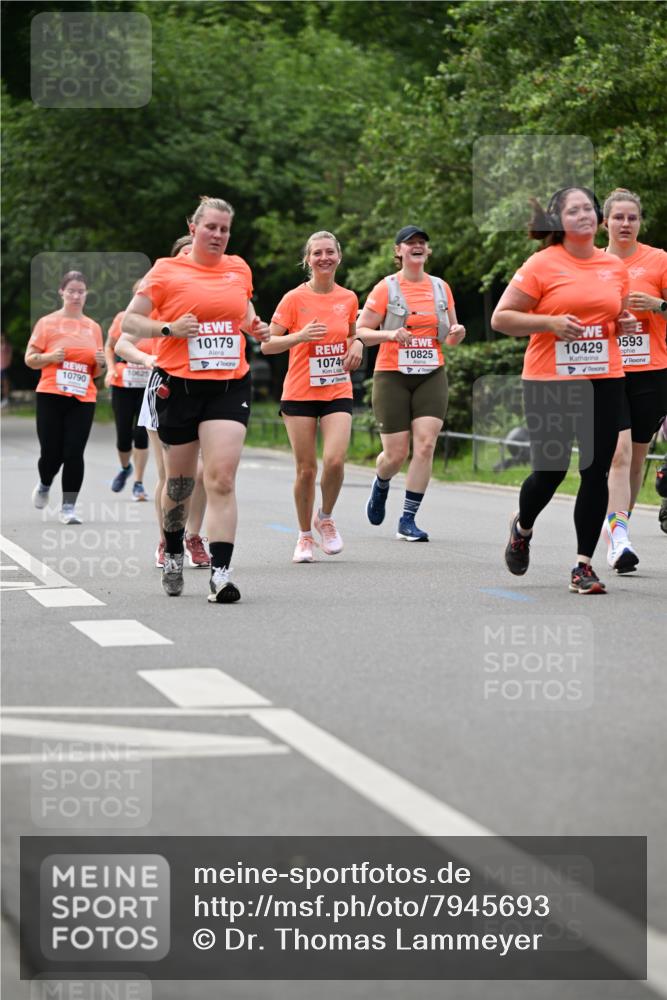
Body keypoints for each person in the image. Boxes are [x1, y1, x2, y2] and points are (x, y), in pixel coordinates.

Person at [121, 196, 270, 603]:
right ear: (193, 228)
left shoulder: (238, 268)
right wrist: (167, 327)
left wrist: (257, 327)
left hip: (228, 385)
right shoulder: (166, 271)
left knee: (220, 477)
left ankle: (221, 574)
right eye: (211, 228)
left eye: (225, 229)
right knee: (181, 483)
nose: (219, 235)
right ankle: (172, 550)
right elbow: (131, 321)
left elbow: (244, 312)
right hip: (179, 386)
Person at [491, 187, 635, 594]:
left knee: (596, 472)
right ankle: (522, 528)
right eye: (574, 210)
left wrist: (620, 324)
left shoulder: (614, 266)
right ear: (559, 221)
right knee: (550, 472)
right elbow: (503, 318)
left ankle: (583, 566)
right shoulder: (541, 265)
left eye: (589, 208)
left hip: (604, 377)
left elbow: (612, 313)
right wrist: (549, 324)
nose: (585, 215)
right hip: (549, 379)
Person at [356, 225, 465, 541]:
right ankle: (381, 482)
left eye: (422, 243)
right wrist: (390, 334)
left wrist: (457, 333)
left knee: (427, 443)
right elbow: (361, 331)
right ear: (398, 251)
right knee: (395, 454)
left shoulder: (441, 288)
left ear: (428, 251)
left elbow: (450, 334)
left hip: (431, 373)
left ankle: (408, 518)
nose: (417, 247)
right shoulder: (386, 288)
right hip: (392, 375)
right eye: (410, 243)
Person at [262, 231, 361, 562]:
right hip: (301, 390)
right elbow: (268, 344)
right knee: (306, 469)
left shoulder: (348, 298)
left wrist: (357, 344)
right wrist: (299, 336)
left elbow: (352, 333)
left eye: (329, 252)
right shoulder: (293, 299)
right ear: (307, 259)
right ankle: (304, 535)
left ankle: (326, 518)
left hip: (336, 387)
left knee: (335, 459)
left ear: (339, 257)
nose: (324, 258)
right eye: (317, 253)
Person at [117, 237, 210, 571]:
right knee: (172, 476)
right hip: (166, 389)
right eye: (185, 254)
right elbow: (122, 344)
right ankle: (165, 539)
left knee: (203, 474)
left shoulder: (215, 297)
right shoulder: (161, 297)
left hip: (208, 389)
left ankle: (194, 536)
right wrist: (148, 357)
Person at [601, 187, 667, 572]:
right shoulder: (591, 264)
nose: (626, 224)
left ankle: (618, 531)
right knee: (618, 453)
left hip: (652, 370)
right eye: (619, 217)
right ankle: (619, 539)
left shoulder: (658, 260)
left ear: (639, 222)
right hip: (607, 370)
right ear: (605, 222)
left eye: (632, 218)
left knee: (636, 457)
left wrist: (659, 306)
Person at [24, 270, 105, 524]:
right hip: (51, 394)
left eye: (81, 291)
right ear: (61, 292)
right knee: (51, 452)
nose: (76, 296)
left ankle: (68, 507)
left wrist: (101, 364)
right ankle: (45, 483)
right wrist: (49, 357)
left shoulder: (93, 327)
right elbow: (30, 359)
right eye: (71, 291)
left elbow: (97, 373)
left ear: (86, 294)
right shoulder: (47, 323)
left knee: (74, 452)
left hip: (83, 397)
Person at [105, 281, 151, 501]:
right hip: (123, 384)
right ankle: (125, 468)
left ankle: (139, 484)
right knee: (124, 436)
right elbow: (110, 346)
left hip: (148, 384)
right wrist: (111, 369)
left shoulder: (162, 319)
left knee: (141, 434)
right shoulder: (123, 318)